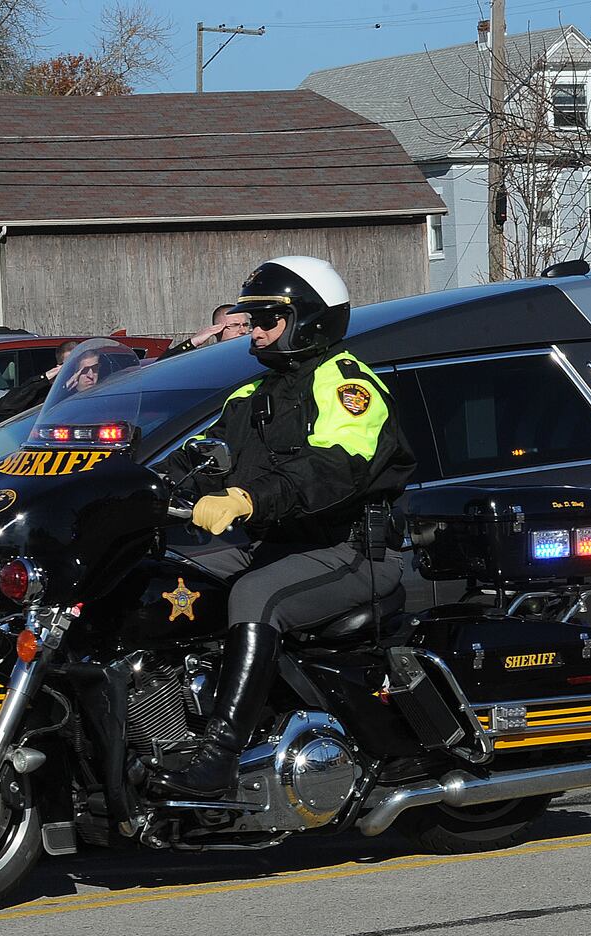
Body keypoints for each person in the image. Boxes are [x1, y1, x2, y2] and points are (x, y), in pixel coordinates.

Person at [150, 256, 415, 798]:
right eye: (252, 317)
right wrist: (127, 487)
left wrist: (248, 498)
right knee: (164, 580)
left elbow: (337, 465)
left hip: (349, 551)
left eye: (269, 316)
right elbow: (196, 460)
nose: (256, 329)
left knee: (255, 597)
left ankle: (219, 759)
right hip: (275, 546)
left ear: (309, 319)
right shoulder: (251, 397)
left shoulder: (348, 386)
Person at [0, 341, 78, 418]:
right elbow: (4, 408)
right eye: (70, 366)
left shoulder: (90, 392)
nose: (78, 371)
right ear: (59, 368)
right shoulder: (49, 393)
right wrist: (44, 379)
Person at [165, 303, 253, 355]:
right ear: (217, 329)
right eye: (235, 325)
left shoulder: (256, 353)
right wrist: (193, 342)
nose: (243, 331)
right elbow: (161, 366)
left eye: (245, 325)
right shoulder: (208, 358)